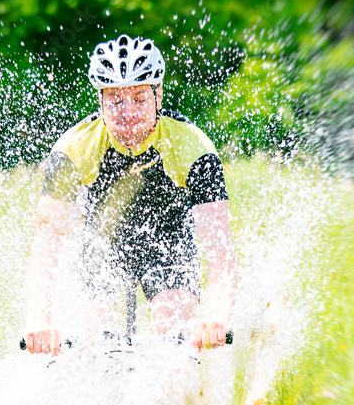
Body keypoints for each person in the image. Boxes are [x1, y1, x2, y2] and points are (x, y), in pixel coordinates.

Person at [23, 33, 236, 353]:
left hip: (169, 242)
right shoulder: (74, 148)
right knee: (92, 347)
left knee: (173, 333)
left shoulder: (192, 146)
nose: (128, 113)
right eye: (116, 101)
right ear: (101, 101)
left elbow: (220, 250)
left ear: (158, 96)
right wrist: (39, 320)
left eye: (139, 98)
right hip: (103, 243)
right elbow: (47, 242)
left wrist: (216, 317)